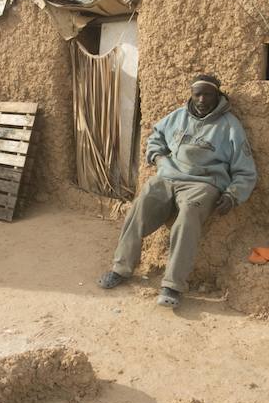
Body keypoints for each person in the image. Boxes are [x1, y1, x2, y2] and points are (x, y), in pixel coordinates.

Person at [97, 74, 257, 308]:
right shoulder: (178, 117)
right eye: (197, 94)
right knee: (142, 202)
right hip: (168, 176)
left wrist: (233, 195)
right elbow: (156, 138)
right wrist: (159, 158)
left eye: (208, 94)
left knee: (188, 216)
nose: (202, 99)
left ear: (218, 96)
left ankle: (172, 284)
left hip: (203, 184)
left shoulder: (230, 125)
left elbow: (246, 171)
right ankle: (121, 267)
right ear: (191, 95)